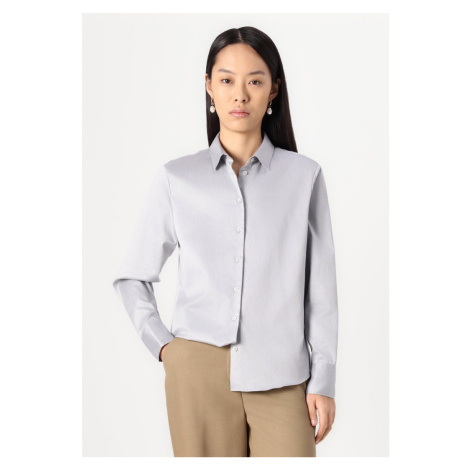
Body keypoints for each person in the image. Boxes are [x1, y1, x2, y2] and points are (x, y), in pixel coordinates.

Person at [112, 26, 339, 457]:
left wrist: (323, 379)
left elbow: (321, 291)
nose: (240, 95)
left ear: (273, 90)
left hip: (283, 375)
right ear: (209, 87)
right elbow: (132, 277)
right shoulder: (177, 178)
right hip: (196, 370)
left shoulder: (304, 177)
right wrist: (166, 348)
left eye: (255, 81)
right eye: (227, 80)